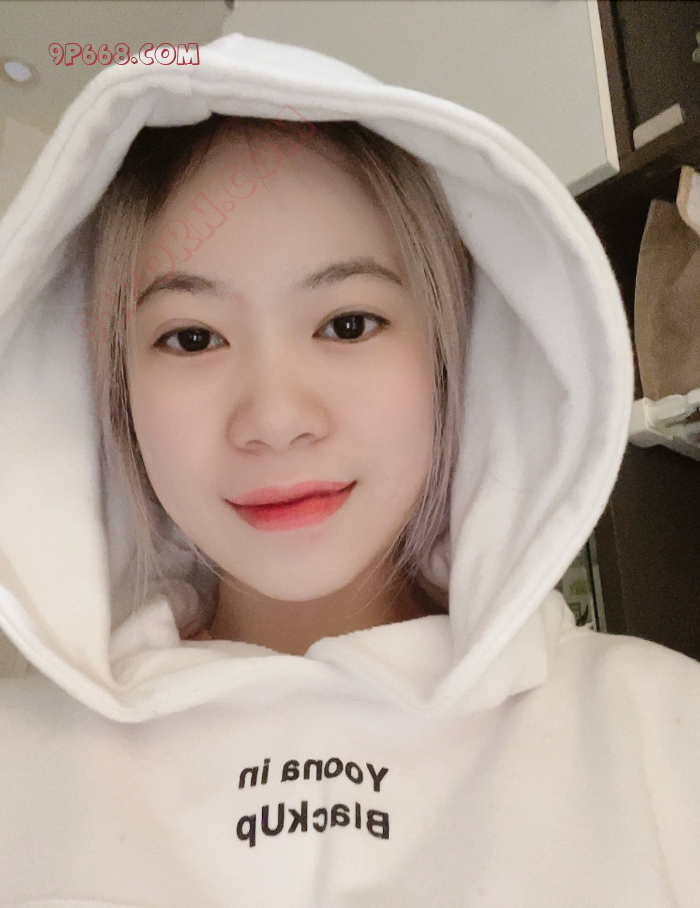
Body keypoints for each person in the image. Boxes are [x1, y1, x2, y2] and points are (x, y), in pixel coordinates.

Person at [0, 30, 698, 908]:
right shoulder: (21, 767)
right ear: (113, 391)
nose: (276, 419)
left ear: (452, 356)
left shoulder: (660, 734)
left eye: (348, 324)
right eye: (193, 337)